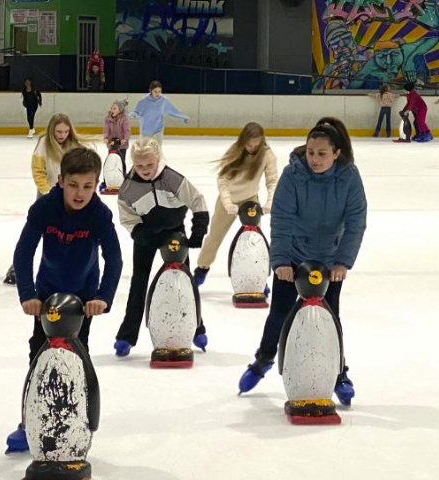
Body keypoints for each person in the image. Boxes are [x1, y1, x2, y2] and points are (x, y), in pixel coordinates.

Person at [237, 117, 367, 407]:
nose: (315, 159)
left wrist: (343, 262)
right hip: (294, 257)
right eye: (310, 152)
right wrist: (282, 260)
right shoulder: (293, 175)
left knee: (330, 320)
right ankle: (263, 360)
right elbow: (282, 219)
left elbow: (356, 221)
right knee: (280, 314)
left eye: (322, 154)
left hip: (329, 261)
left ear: (336, 153)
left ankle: (338, 374)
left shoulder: (349, 177)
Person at [5, 147, 123, 452]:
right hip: (47, 296)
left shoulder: (99, 213)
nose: (80, 193)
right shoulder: (45, 208)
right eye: (73, 185)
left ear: (96, 184)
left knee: (76, 357)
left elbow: (114, 258)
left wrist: (103, 297)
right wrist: (28, 295)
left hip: (83, 299)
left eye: (87, 186)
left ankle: (76, 416)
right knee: (38, 355)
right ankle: (29, 419)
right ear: (61, 181)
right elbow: (23, 251)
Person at [114, 138, 210, 357]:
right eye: (139, 166)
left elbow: (198, 201)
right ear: (132, 163)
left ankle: (197, 328)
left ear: (157, 159)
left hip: (174, 233)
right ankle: (126, 336)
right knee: (139, 282)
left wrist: (198, 231)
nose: (145, 170)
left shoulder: (172, 178)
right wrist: (139, 233)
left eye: (149, 165)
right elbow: (127, 217)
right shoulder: (128, 187)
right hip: (146, 234)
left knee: (185, 282)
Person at [3, 113, 94, 285]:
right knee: (33, 234)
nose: (62, 135)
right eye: (59, 131)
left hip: (68, 198)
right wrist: (48, 193)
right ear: (52, 130)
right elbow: (38, 172)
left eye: (66, 131)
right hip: (46, 197)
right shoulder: (43, 144)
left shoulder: (73, 146)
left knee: (66, 236)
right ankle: (15, 271)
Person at [194, 122, 278, 285]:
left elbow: (272, 180)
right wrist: (227, 203)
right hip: (229, 200)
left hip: (250, 200)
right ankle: (202, 268)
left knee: (255, 241)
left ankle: (258, 278)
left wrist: (270, 201)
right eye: (249, 144)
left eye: (256, 144)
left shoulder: (267, 155)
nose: (252, 148)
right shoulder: (234, 151)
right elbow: (223, 179)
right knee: (214, 237)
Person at [129, 80, 190, 147]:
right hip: (145, 131)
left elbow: (172, 110)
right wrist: (134, 114)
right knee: (144, 152)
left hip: (158, 130)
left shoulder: (163, 100)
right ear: (150, 90)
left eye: (159, 91)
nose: (157, 94)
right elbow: (137, 112)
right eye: (155, 91)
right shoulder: (143, 101)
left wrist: (182, 117)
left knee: (157, 152)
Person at [103, 99, 130, 167]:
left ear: (120, 110)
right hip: (112, 143)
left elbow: (127, 130)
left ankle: (123, 174)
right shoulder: (108, 118)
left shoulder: (124, 119)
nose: (112, 110)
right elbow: (106, 129)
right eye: (111, 108)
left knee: (121, 161)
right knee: (111, 160)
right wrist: (105, 137)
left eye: (114, 108)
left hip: (122, 145)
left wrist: (125, 139)